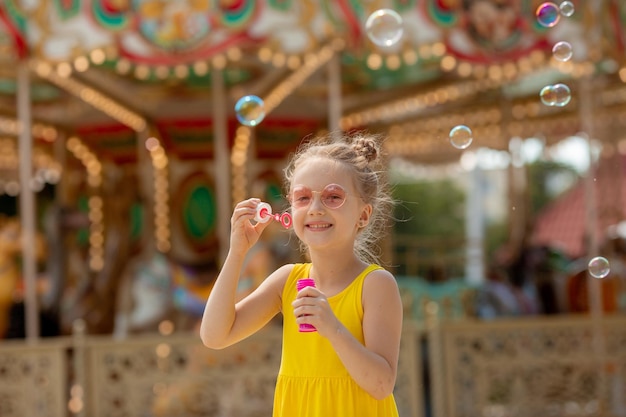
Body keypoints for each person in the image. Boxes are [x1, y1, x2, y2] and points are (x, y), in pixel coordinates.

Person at [200, 132, 403, 416]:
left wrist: (332, 328)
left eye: (333, 197)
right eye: (303, 197)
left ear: (364, 214)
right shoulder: (287, 281)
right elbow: (214, 336)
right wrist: (237, 253)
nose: (316, 209)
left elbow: (382, 385)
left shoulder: (375, 284)